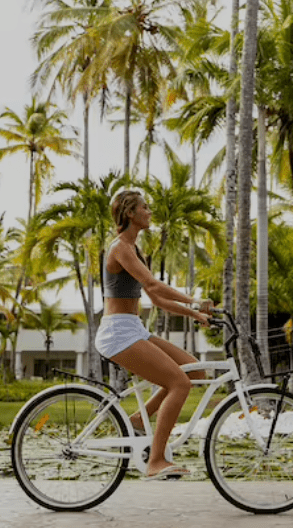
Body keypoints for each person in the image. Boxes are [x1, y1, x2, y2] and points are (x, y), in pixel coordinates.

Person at [95, 189, 214, 479]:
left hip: (133, 328)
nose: (149, 212)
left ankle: (138, 418)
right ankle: (156, 461)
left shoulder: (135, 251)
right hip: (118, 332)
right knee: (179, 384)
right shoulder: (120, 247)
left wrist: (195, 314)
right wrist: (195, 300)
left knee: (194, 372)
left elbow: (157, 300)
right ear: (130, 214)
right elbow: (154, 285)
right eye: (144, 207)